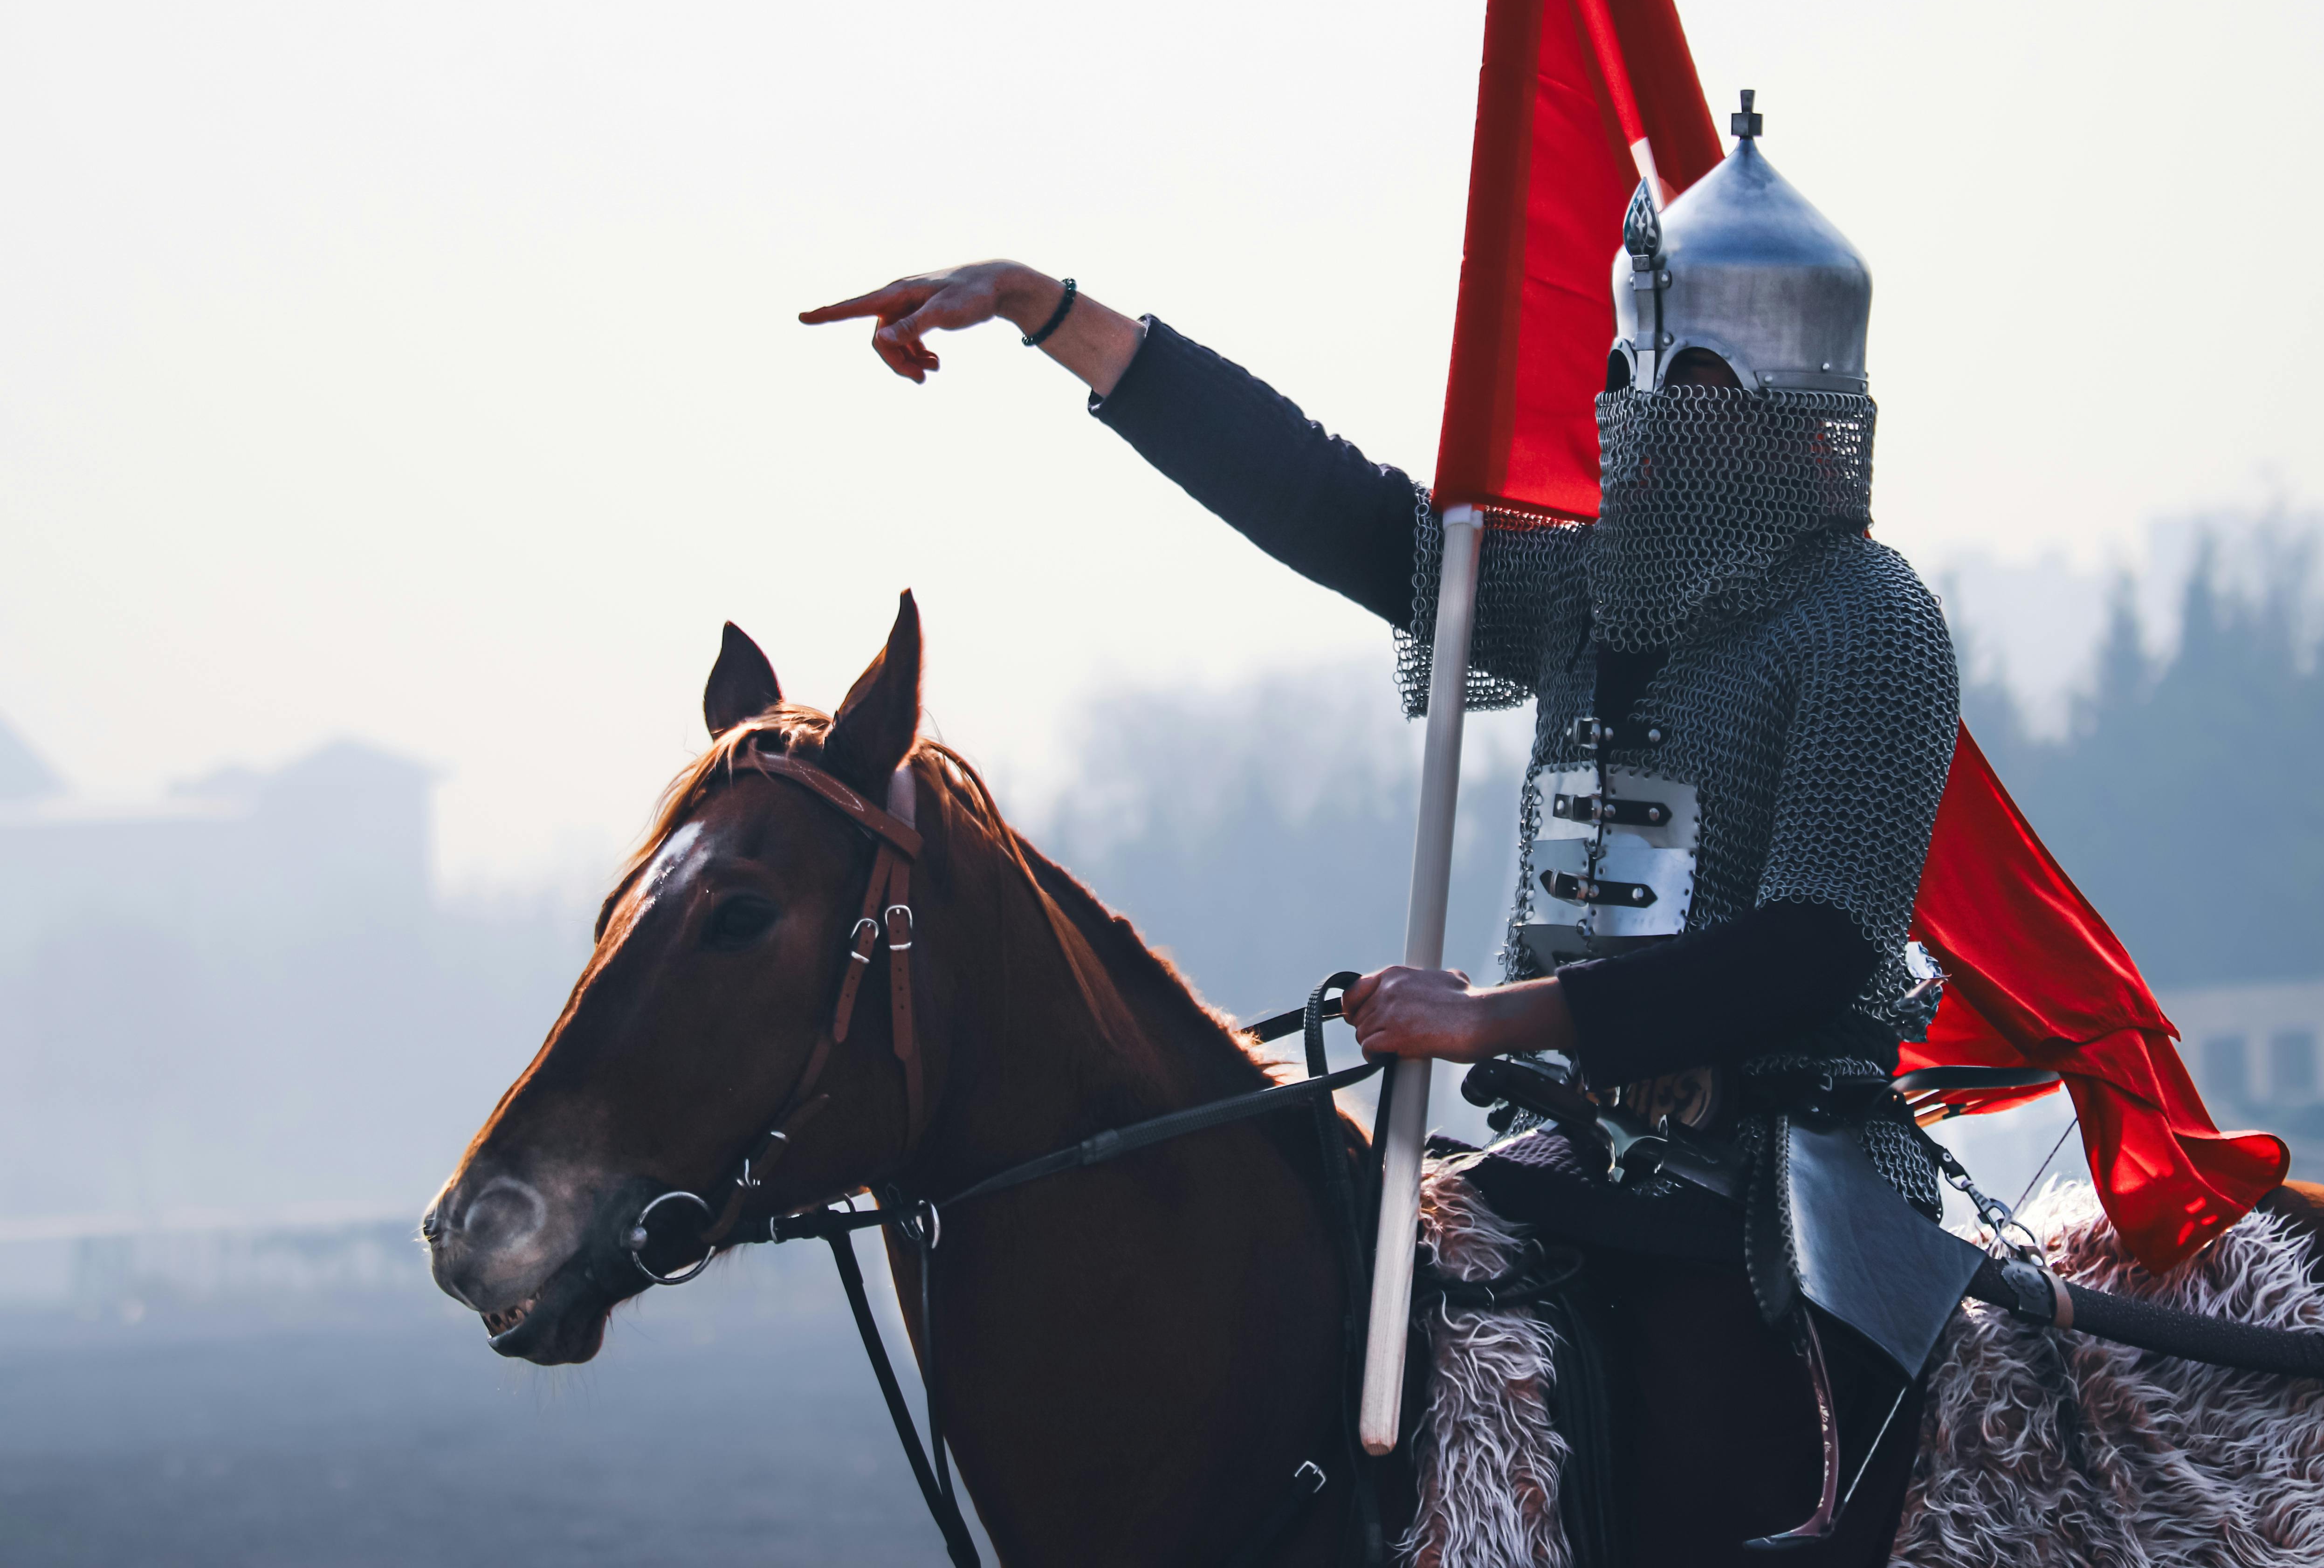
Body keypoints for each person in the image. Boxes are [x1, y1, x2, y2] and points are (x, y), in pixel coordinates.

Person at [806, 107, 1962, 1540]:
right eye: (1630, 380)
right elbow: (1339, 510)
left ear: (1792, 408)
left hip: (1790, 1176)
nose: (1642, 417)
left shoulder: (1873, 625)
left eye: (1691, 386)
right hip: (1580, 1148)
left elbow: (1809, 953)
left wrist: (1491, 1022)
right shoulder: (1598, 594)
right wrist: (1056, 313)